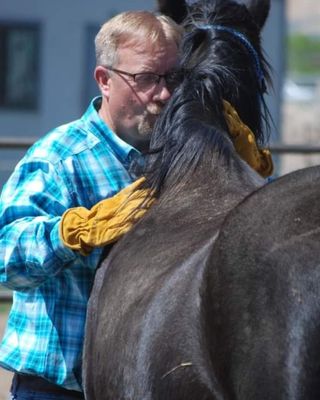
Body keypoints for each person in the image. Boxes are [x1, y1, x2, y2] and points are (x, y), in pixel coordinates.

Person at [0, 10, 182, 399]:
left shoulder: (183, 159)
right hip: (58, 389)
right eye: (147, 78)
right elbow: (7, 259)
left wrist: (243, 173)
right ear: (104, 80)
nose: (164, 94)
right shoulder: (59, 159)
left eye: (173, 78)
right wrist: (74, 232)